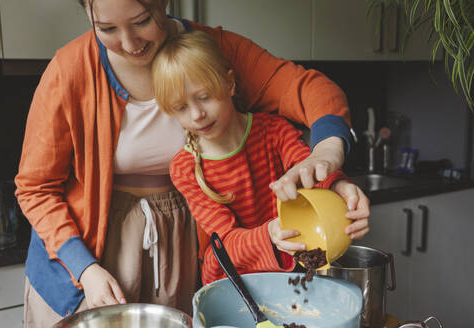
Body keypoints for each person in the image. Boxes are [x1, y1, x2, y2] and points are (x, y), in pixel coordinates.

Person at [14, 0, 368, 326]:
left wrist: (327, 157)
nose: (129, 42)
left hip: (177, 253)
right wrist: (85, 268)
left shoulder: (215, 50)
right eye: (106, 29)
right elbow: (34, 188)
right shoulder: (70, 70)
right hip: (82, 254)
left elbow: (310, 90)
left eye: (141, 21)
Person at [151, 30, 369, 285]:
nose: (197, 114)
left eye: (204, 97)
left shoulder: (274, 131)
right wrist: (268, 235)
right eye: (181, 108)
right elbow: (224, 244)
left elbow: (309, 170)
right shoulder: (185, 168)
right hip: (232, 282)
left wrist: (338, 186)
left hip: (290, 276)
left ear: (230, 83)